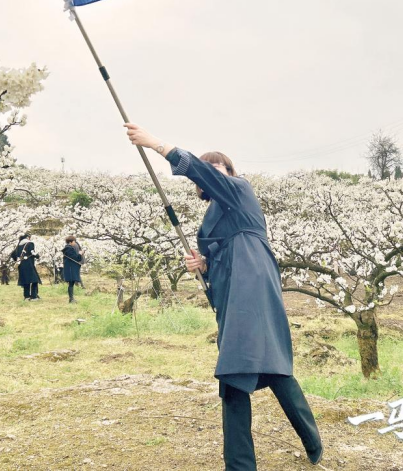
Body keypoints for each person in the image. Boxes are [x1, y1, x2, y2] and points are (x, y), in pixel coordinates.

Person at [124, 123, 323, 470]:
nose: (215, 173)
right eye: (209, 170)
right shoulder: (210, 219)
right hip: (231, 292)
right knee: (271, 368)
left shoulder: (240, 191)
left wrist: (157, 145)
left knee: (236, 369)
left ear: (231, 174)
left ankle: (241, 465)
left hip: (252, 286)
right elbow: (219, 257)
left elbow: (205, 177)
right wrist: (201, 264)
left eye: (221, 168)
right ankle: (311, 440)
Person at [11, 233, 41, 301]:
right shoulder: (30, 244)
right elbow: (32, 253)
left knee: (26, 281)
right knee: (34, 280)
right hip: (29, 264)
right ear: (28, 237)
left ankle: (26, 297)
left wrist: (18, 260)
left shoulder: (19, 245)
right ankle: (34, 296)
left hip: (21, 265)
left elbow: (13, 254)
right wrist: (37, 256)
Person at [62, 235, 84, 304]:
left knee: (71, 283)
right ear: (71, 242)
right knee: (71, 283)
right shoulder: (69, 249)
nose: (75, 243)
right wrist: (80, 254)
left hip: (69, 268)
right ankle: (71, 299)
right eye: (74, 241)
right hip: (71, 268)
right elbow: (76, 258)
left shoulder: (67, 248)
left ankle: (71, 298)